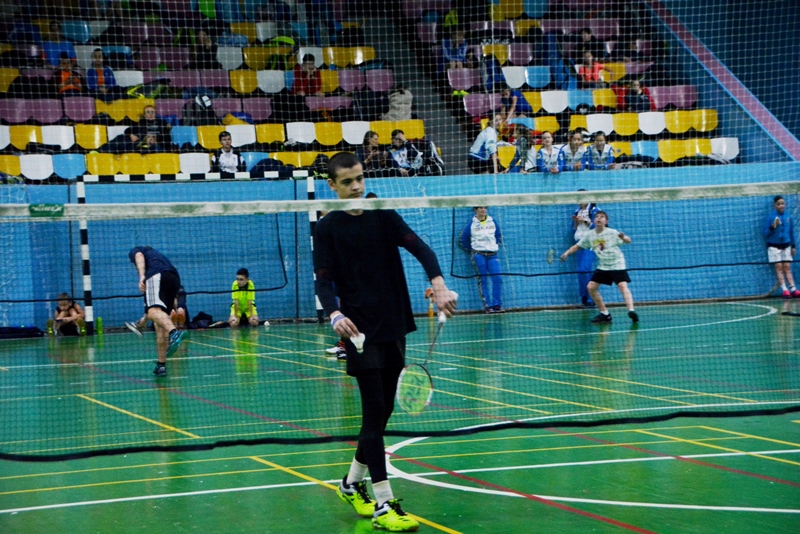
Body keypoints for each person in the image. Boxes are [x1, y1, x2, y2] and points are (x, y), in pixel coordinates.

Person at [314, 152, 457, 532]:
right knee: (373, 411)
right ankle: (382, 503)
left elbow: (421, 248)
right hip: (358, 330)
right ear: (333, 185)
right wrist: (334, 314)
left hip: (394, 322)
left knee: (383, 412)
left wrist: (439, 284)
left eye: (359, 178)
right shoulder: (327, 228)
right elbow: (323, 281)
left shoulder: (383, 214)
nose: (356, 187)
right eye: (347, 182)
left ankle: (350, 484)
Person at [560, 211, 638, 324]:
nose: (599, 218)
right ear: (593, 220)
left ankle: (631, 311)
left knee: (622, 286)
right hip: (603, 266)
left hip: (617, 264)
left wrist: (623, 237)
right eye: (597, 217)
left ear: (606, 221)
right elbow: (577, 246)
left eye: (602, 217)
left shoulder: (612, 232)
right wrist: (567, 253)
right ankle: (605, 314)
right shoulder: (590, 235)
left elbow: (628, 241)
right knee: (591, 287)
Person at [128, 246, 187, 376]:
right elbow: (152, 312)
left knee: (153, 312)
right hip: (174, 279)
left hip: (157, 276)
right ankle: (161, 366)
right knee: (159, 322)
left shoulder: (139, 251)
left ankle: (174, 333)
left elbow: (138, 255)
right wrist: (142, 323)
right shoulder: (160, 258)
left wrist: (142, 276)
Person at [460, 206, 503, 313]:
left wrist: (493, 246)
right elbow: (463, 239)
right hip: (479, 255)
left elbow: (498, 236)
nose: (483, 210)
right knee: (482, 280)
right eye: (480, 208)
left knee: (497, 278)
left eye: (485, 207)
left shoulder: (492, 222)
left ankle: (497, 305)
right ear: (475, 210)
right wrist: (473, 250)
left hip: (493, 255)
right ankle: (488, 306)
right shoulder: (471, 224)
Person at [763, 195, 800, 298]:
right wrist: (773, 226)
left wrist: (793, 246)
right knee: (779, 267)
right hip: (774, 246)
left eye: (782, 203)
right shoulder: (771, 217)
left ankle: (793, 288)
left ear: (785, 204)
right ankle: (784, 289)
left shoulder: (788, 217)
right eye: (778, 204)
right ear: (774, 205)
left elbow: (791, 232)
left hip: (786, 245)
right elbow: (765, 233)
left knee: (787, 267)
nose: (781, 206)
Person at [570, 193, 600, 307]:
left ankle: (591, 299)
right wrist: (575, 222)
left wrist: (585, 221)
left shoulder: (595, 211)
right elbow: (574, 230)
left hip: (591, 243)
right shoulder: (577, 211)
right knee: (581, 272)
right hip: (579, 243)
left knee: (584, 269)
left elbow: (600, 227)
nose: (579, 201)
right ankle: (584, 298)